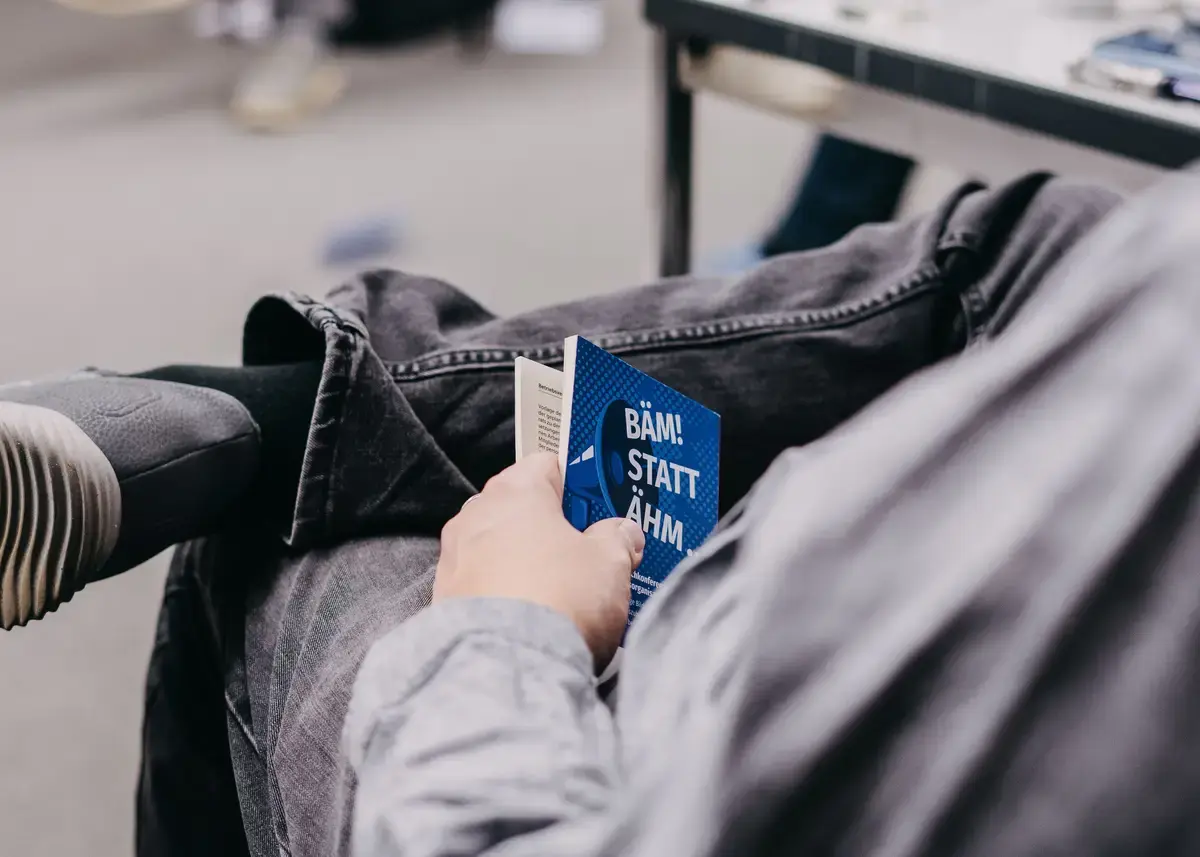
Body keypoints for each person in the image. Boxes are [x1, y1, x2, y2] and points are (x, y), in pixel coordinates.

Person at [5, 169, 1200, 857]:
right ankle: (288, 408)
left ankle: (266, 425)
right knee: (1028, 244)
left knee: (287, 528)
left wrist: (503, 626)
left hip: (606, 745)